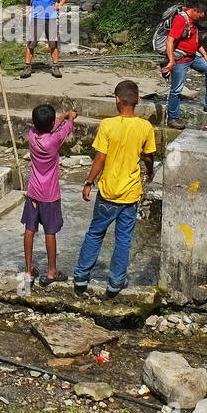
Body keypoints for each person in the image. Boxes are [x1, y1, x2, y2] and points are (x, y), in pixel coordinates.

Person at [73, 80, 156, 300]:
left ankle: (81, 276)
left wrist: (89, 182)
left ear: (117, 100)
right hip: (130, 194)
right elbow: (148, 156)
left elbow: (100, 158)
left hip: (107, 191)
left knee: (95, 233)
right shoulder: (145, 127)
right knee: (123, 239)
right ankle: (116, 281)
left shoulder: (107, 125)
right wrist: (150, 172)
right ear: (138, 101)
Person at [23, 103, 77, 286]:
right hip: (50, 195)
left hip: (33, 192)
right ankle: (52, 271)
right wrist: (70, 117)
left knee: (29, 229)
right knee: (50, 232)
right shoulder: (53, 141)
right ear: (51, 122)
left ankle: (29, 269)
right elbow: (65, 129)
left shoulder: (31, 135)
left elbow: (51, 126)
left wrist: (62, 116)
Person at [162, 4, 207, 128]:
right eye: (201, 17)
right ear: (196, 11)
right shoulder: (181, 20)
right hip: (180, 59)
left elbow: (195, 41)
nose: (201, 20)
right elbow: (170, 40)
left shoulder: (194, 21)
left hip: (193, 56)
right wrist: (171, 61)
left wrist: (205, 54)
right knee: (177, 89)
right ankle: (173, 118)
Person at [15, 0, 72, 78]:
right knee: (31, 43)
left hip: (51, 16)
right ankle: (27, 67)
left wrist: (60, 5)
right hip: (36, 16)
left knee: (53, 43)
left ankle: (55, 66)